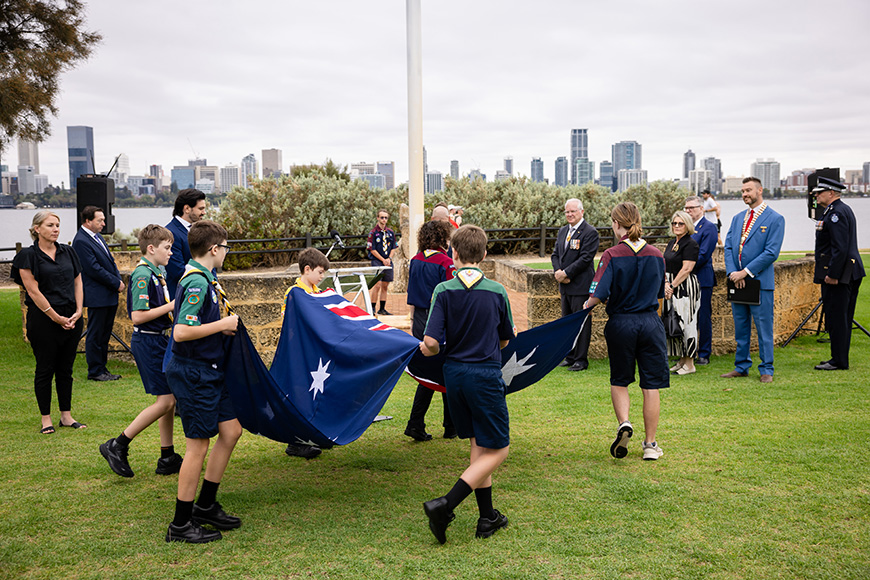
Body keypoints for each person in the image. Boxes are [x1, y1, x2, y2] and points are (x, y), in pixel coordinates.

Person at [420, 225, 516, 543]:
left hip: (455, 377)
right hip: (485, 375)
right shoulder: (498, 291)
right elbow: (505, 341)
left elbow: (432, 342)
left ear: (454, 254)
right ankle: (446, 504)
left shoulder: (443, 291)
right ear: (485, 255)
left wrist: (427, 349)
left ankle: (487, 517)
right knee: (499, 448)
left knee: (479, 443)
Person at [164, 220, 242, 544]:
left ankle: (206, 504)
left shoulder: (205, 279)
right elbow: (180, 332)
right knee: (197, 445)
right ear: (214, 249)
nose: (226, 253)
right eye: (225, 247)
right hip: (194, 371)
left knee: (231, 430)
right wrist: (222, 324)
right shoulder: (196, 283)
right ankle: (181, 523)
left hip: (211, 368)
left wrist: (218, 326)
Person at [584, 202, 668, 461]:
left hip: (621, 323)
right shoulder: (657, 254)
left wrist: (585, 306)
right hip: (650, 323)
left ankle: (624, 423)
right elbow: (658, 292)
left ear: (617, 224)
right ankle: (651, 445)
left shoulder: (611, 254)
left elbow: (597, 293)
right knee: (650, 385)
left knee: (620, 380)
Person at [99, 225, 183, 478]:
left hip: (159, 340)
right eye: (167, 248)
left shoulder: (156, 272)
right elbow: (137, 317)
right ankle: (118, 444)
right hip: (148, 342)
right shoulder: (142, 275)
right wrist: (172, 304)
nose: (170, 253)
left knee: (168, 399)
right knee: (166, 400)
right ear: (151, 248)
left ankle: (167, 455)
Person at [12, 211, 86, 434]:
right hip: (43, 319)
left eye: (57, 225)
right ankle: (46, 419)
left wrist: (78, 310)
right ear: (37, 229)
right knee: (45, 369)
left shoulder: (68, 251)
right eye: (50, 225)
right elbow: (33, 291)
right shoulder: (27, 256)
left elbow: (78, 281)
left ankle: (66, 415)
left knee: (66, 368)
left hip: (71, 318)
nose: (56, 229)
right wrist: (55, 317)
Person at [721, 177, 785, 384]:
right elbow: (729, 246)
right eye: (742, 191)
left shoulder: (775, 219)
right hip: (736, 281)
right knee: (741, 327)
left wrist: (745, 272)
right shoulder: (738, 218)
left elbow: (771, 252)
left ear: (760, 190)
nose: (745, 194)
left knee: (763, 328)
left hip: (759, 283)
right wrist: (733, 273)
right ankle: (741, 366)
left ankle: (767, 369)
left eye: (748, 190)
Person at [405, 220, 456, 442]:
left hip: (419, 319)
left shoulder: (415, 261)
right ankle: (443, 423)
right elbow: (451, 295)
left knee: (429, 372)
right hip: (438, 320)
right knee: (445, 369)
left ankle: (436, 423)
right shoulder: (446, 263)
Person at [280, 247, 329, 459]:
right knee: (299, 396)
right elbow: (288, 323)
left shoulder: (318, 292)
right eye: (320, 272)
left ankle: (312, 434)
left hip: (314, 353)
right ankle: (295, 442)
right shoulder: (294, 293)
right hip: (298, 353)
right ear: (307, 269)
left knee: (315, 395)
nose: (322, 277)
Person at [811, 176, 865, 371]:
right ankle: (837, 357)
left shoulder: (836, 213)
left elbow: (840, 248)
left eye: (820, 192)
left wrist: (833, 274)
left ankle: (839, 361)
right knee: (838, 317)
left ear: (831, 193)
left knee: (838, 317)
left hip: (841, 275)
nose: (816, 195)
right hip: (846, 272)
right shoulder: (838, 210)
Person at [72, 206, 125, 381]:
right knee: (95, 334)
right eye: (99, 220)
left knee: (104, 334)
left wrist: (117, 278)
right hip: (97, 296)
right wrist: (115, 282)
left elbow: (109, 262)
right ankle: (95, 371)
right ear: (88, 221)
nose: (103, 223)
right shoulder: (81, 241)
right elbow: (93, 268)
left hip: (108, 294)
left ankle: (103, 369)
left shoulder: (97, 236)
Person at [551, 198, 600, 371]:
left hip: (580, 286)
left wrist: (567, 273)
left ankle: (581, 359)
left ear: (582, 212)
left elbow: (586, 258)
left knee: (582, 323)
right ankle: (570, 356)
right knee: (567, 322)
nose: (570, 214)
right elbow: (555, 254)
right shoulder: (563, 231)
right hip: (565, 286)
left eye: (573, 211)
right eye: (567, 212)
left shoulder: (590, 232)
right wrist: (558, 273)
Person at [662, 210, 700, 375]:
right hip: (670, 284)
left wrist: (672, 285)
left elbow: (687, 268)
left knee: (687, 322)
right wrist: (665, 283)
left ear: (687, 225)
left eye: (680, 223)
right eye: (674, 223)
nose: (677, 226)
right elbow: (665, 264)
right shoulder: (672, 243)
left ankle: (690, 363)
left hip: (685, 287)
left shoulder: (691, 244)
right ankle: (681, 360)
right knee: (674, 321)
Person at [684, 196, 717, 365]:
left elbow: (703, 255)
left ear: (701, 209)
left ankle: (704, 353)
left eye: (692, 208)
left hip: (702, 279)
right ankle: (687, 352)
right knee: (686, 317)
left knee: (702, 317)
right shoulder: (685, 228)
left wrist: (685, 265)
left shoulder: (709, 227)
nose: (688, 211)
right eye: (686, 208)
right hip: (685, 279)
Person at [165, 188, 207, 299]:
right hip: (183, 297)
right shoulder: (171, 233)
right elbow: (177, 271)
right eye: (201, 209)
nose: (204, 212)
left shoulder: (200, 229)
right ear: (187, 209)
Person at [367, 209, 397, 315]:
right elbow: (372, 249)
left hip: (387, 262)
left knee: (385, 285)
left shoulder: (390, 233)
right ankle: (372, 308)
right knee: (377, 285)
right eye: (382, 217)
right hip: (377, 261)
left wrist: (389, 258)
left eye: (386, 218)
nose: (384, 220)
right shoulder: (373, 233)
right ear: (378, 218)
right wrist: (383, 260)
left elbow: (394, 247)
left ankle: (382, 308)